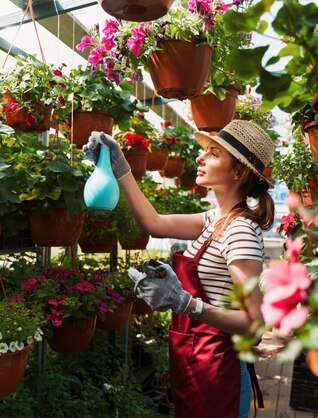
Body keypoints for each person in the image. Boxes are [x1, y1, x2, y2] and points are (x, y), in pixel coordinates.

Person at [83, 119, 275, 418]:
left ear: (238, 171)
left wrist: (187, 304)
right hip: (193, 362)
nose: (199, 158)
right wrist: (119, 163)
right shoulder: (214, 220)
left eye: (213, 153)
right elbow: (155, 224)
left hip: (218, 367)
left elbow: (255, 324)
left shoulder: (239, 231)